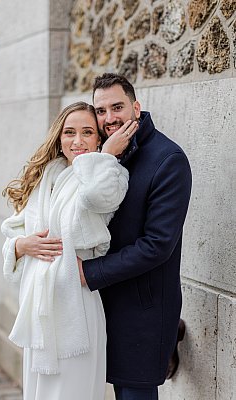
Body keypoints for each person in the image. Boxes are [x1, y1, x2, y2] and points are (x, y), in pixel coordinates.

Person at [1, 101, 138, 400]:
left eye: (88, 132)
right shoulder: (47, 177)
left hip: (76, 308)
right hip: (41, 311)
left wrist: (104, 157)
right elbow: (13, 229)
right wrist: (20, 246)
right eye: (69, 132)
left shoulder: (110, 175)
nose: (77, 140)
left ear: (99, 139)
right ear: (59, 138)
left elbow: (89, 207)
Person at [77, 73, 192, 400]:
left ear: (136, 107)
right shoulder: (100, 151)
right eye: (101, 111)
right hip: (102, 303)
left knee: (133, 394)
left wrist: (89, 272)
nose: (109, 118)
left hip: (143, 309)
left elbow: (158, 245)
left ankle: (168, 339)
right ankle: (170, 342)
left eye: (117, 107)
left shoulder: (168, 160)